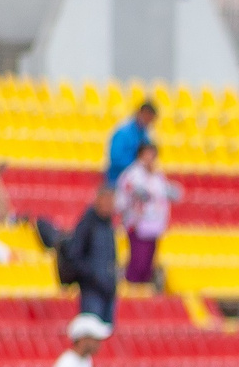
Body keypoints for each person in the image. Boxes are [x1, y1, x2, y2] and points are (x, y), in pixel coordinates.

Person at [113, 140, 181, 289]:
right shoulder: (133, 174)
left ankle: (143, 290)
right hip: (138, 224)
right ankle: (131, 288)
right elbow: (130, 194)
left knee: (148, 263)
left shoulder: (157, 175)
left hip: (155, 224)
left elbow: (172, 194)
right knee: (138, 261)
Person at [61, 183, 122, 323]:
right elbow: (74, 255)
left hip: (108, 289)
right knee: (92, 329)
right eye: (108, 200)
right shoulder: (88, 224)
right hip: (92, 291)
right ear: (99, 200)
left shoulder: (108, 224)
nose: (111, 205)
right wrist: (93, 275)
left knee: (106, 334)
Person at [105, 99, 156, 184]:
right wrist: (137, 166)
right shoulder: (123, 133)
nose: (149, 122)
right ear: (141, 113)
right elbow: (116, 158)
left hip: (136, 181)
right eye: (148, 118)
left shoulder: (144, 135)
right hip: (118, 180)